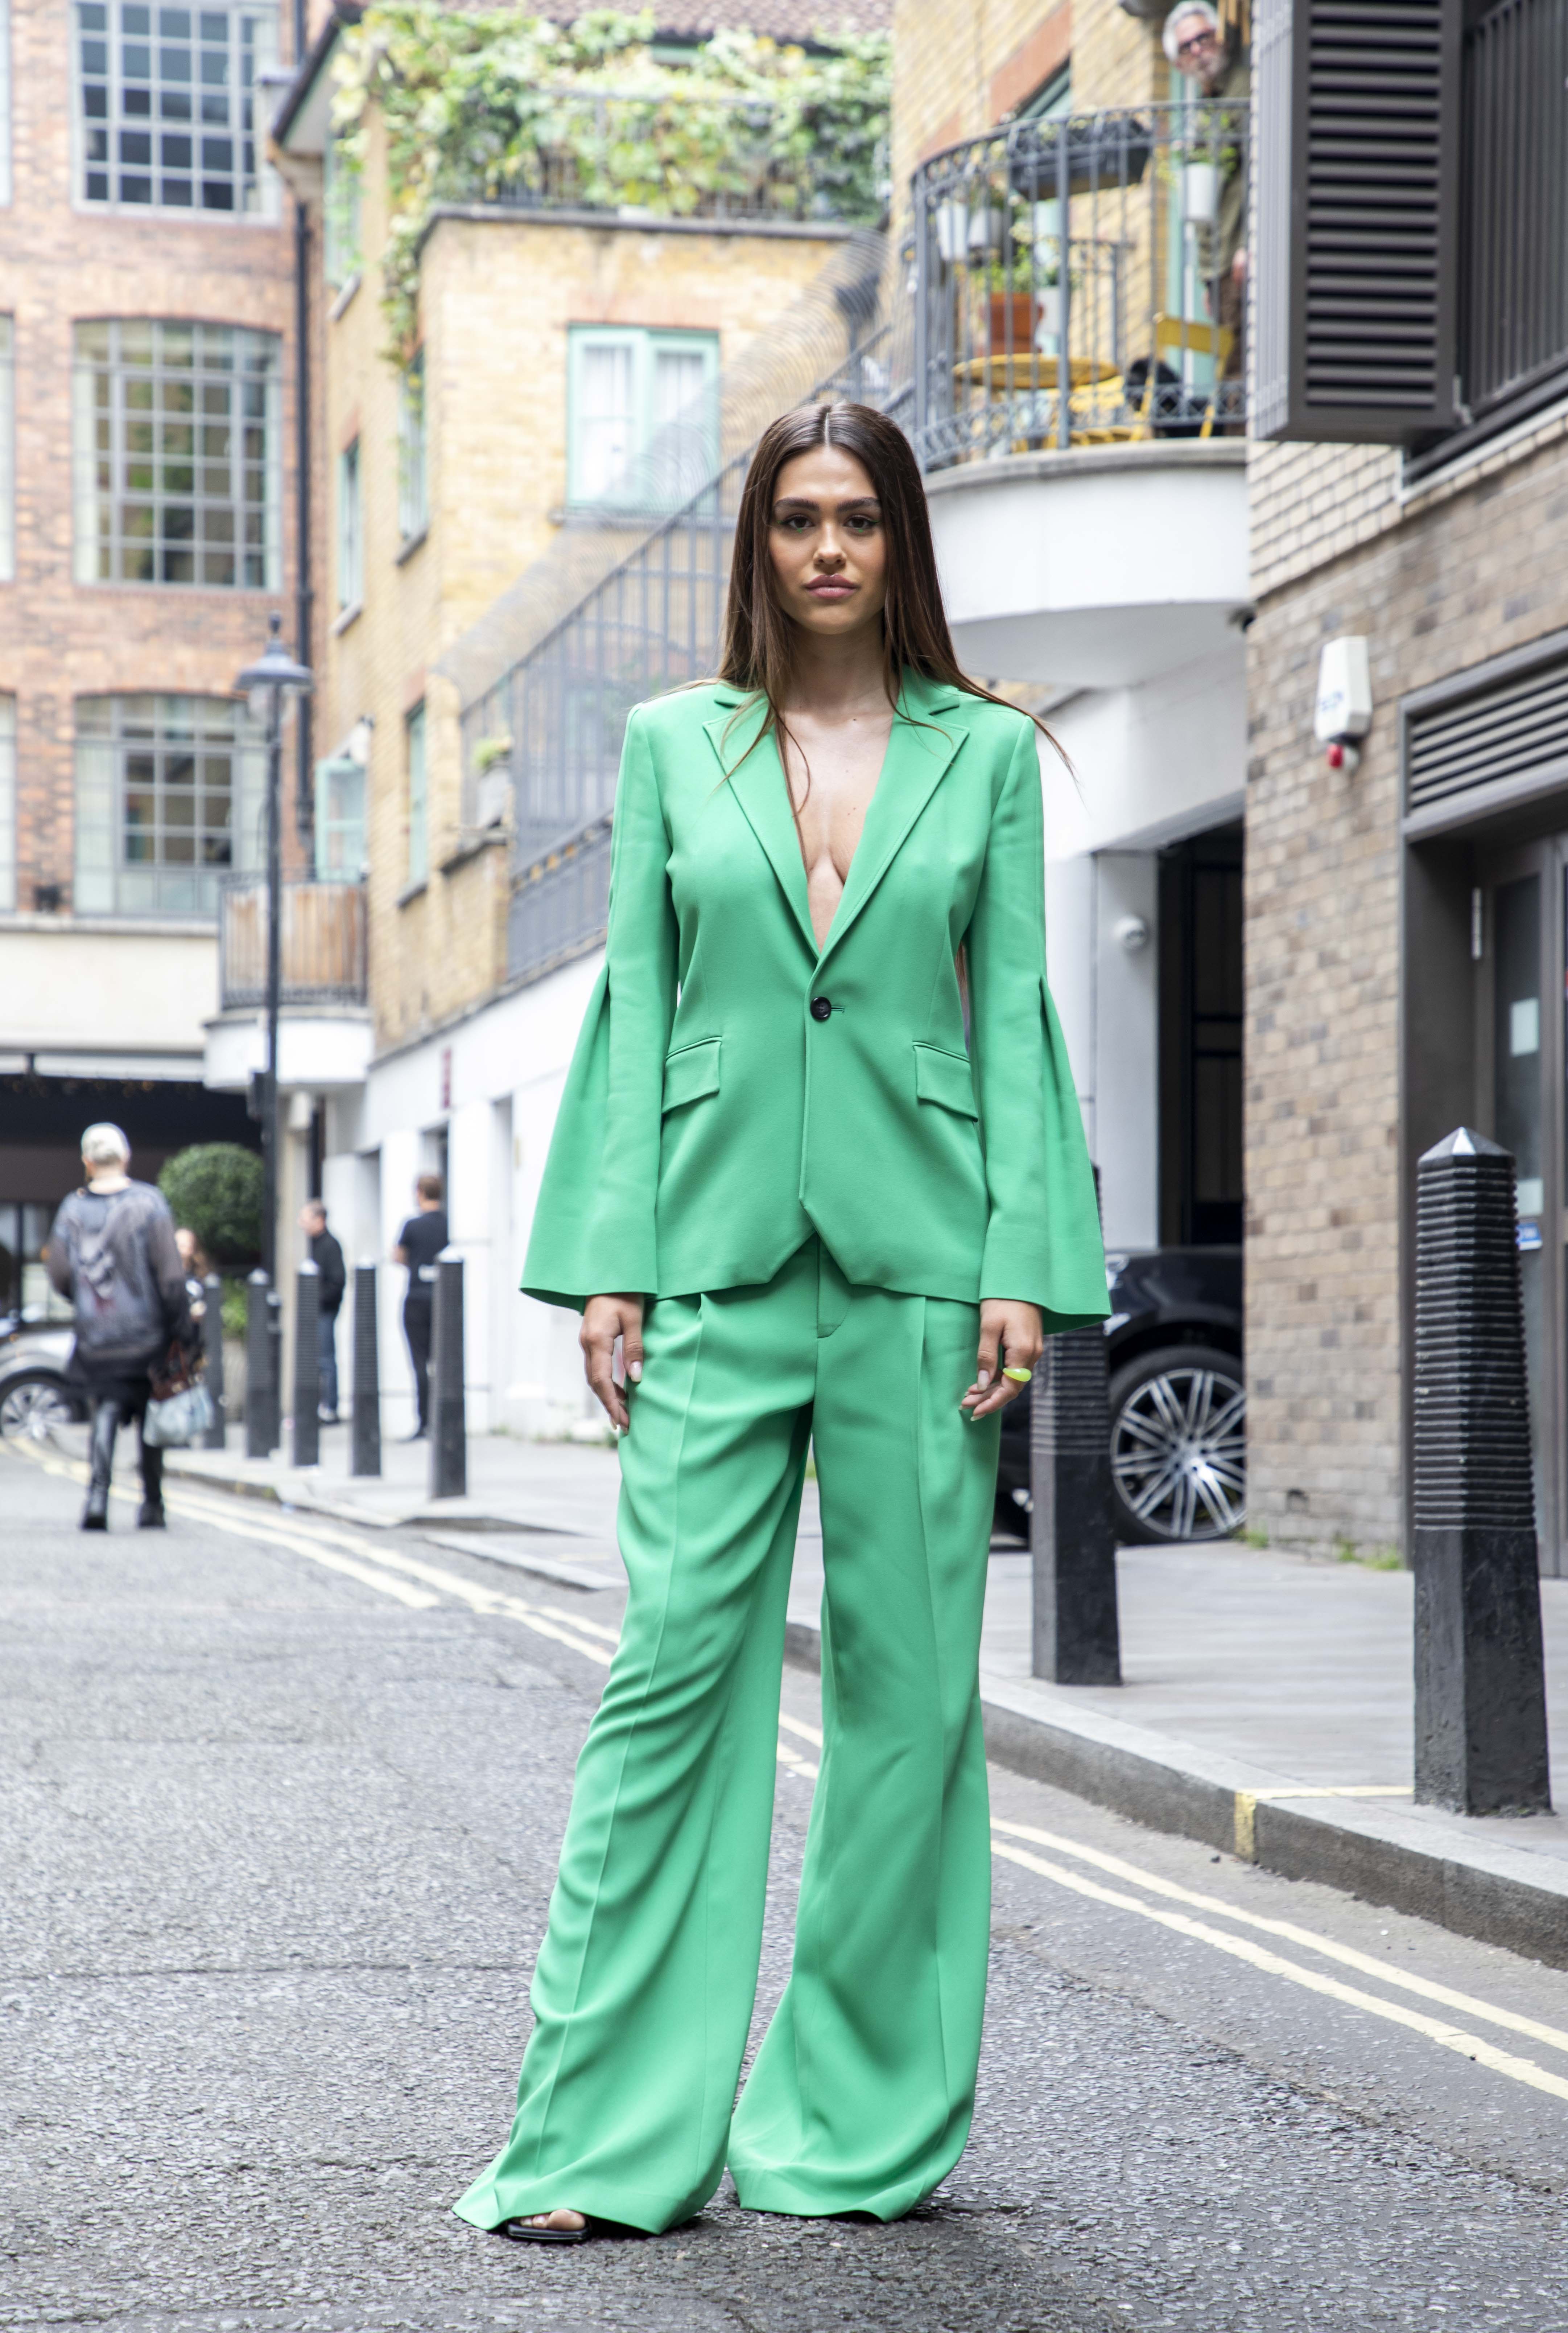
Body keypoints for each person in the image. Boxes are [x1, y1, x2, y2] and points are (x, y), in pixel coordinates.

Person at [453, 402, 1106, 2247]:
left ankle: (853, 2121)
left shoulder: (985, 754)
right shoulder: (677, 744)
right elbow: (640, 1000)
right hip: (719, 1266)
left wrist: (1017, 1263)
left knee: (910, 1707)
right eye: (798, 520)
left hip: (921, 1269)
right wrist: (610, 1254)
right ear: (758, 545)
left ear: (901, 543)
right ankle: (601, 2135)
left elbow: (1012, 1021)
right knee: (669, 1679)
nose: (829, 549)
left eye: (861, 521)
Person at [46, 1124, 195, 1532]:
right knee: (151, 1411)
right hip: (147, 1334)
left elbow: (58, 1272)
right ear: (125, 1157)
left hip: (97, 1334)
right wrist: (182, 1327)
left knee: (106, 1409)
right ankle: (152, 1504)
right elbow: (170, 1275)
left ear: (87, 1162)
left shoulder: (71, 1209)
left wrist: (85, 1303)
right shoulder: (150, 1203)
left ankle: (97, 1496)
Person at [1164, 3, 1249, 400]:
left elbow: (1260, 169)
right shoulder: (1202, 112)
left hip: (1239, 256)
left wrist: (1250, 243)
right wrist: (1204, 275)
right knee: (1230, 358)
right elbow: (1202, 210)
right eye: (1187, 47)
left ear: (1220, 38)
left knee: (1238, 366)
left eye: (1204, 38)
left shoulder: (1244, 88)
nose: (1198, 50)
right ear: (1179, 64)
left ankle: (1244, 450)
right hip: (1217, 269)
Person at [392, 1174, 447, 1440]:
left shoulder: (412, 1225)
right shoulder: (448, 1224)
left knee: (420, 1363)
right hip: (444, 1300)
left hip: (416, 1298)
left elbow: (398, 1256)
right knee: (444, 1362)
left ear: (420, 1193)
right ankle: (444, 1419)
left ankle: (424, 1422)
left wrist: (415, 1264)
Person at [299, 1199, 347, 1422]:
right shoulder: (316, 1244)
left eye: (305, 1219)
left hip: (324, 1310)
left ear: (320, 1220)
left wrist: (317, 1299)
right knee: (317, 1359)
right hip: (317, 1310)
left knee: (326, 1359)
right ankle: (319, 1406)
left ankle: (330, 1407)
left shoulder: (329, 1245)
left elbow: (337, 1281)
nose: (302, 1224)